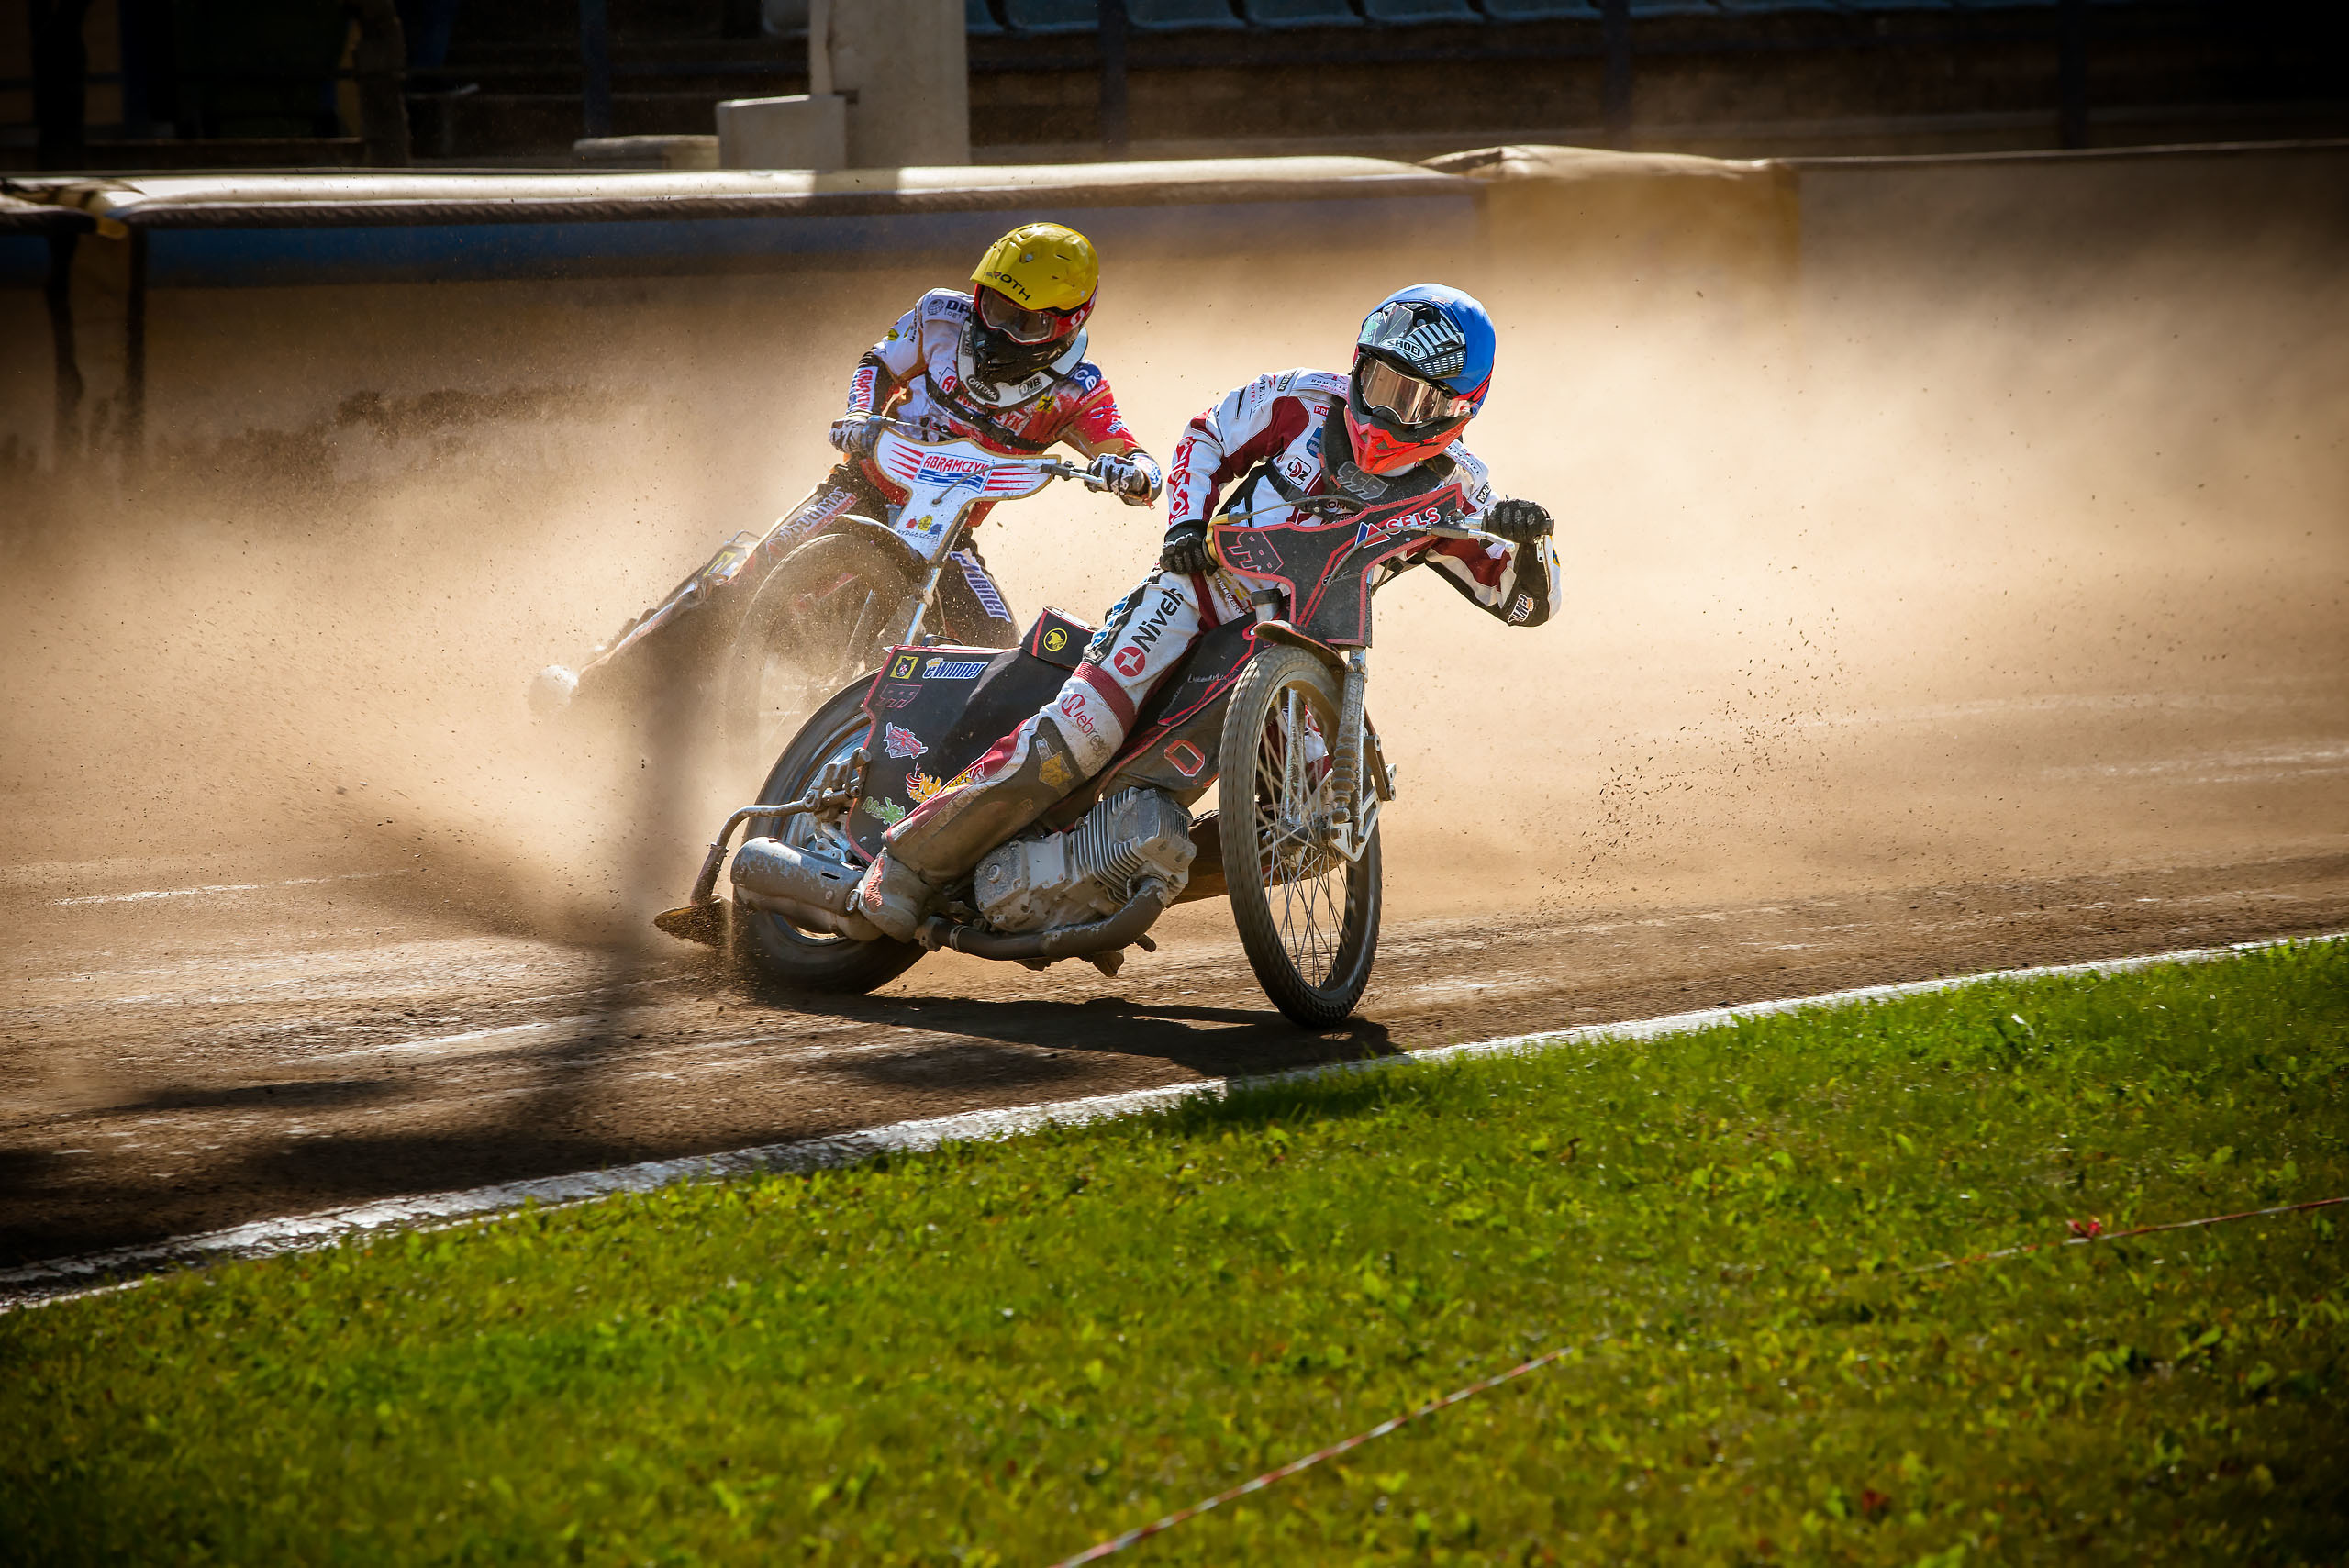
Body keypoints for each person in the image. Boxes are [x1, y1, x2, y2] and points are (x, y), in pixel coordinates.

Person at [852, 283, 1559, 941]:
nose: (1384, 407)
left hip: (1305, 645)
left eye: (1411, 398)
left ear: (1458, 409)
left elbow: (1525, 603)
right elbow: (1207, 434)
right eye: (1377, 380)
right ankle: (905, 863)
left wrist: (1533, 544)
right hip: (1199, 590)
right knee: (1082, 732)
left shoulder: (1463, 492)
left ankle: (1113, 873)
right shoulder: (1305, 397)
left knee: (1315, 823)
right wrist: (1185, 526)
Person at [533, 221, 1162, 712]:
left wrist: (1134, 471)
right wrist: (860, 417)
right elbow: (877, 363)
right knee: (745, 582)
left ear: (1066, 323)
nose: (993, 329)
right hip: (861, 485)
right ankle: (596, 689)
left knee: (998, 649)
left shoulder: (1080, 390)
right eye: (990, 306)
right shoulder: (940, 316)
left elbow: (1118, 446)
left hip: (947, 533)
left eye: (1018, 321)